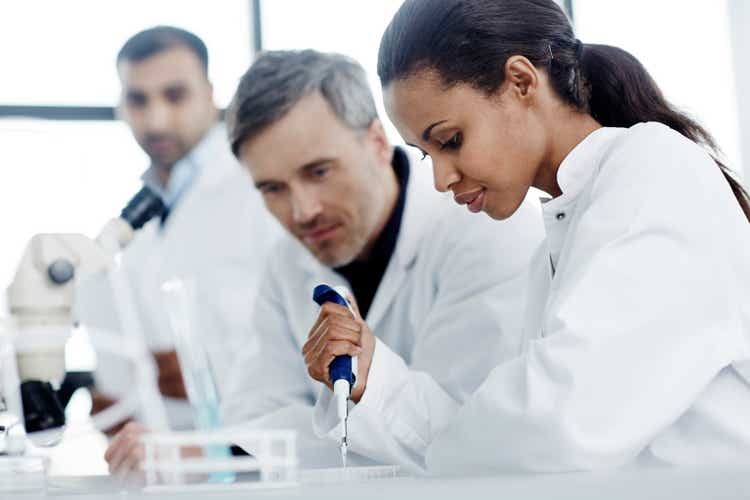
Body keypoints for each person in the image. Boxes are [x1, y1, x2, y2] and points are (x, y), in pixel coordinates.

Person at [305, 0, 750, 474]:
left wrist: (451, 451)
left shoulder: (655, 169)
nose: (440, 179)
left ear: (521, 82)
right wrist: (372, 376)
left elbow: (557, 428)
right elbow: (510, 440)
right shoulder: (558, 242)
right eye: (424, 154)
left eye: (450, 139)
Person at [102, 48, 545, 476]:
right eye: (272, 188)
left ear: (375, 141)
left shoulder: (483, 226)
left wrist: (363, 383)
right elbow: (257, 418)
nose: (302, 212)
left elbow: (466, 437)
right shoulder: (288, 260)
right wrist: (206, 454)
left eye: (318, 172)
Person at [80, 26, 280, 439]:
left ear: (209, 94)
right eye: (138, 100)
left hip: (254, 447)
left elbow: (295, 332)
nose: (156, 120)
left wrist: (188, 373)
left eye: (175, 95)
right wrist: (114, 395)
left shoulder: (259, 187)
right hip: (162, 454)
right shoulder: (141, 212)